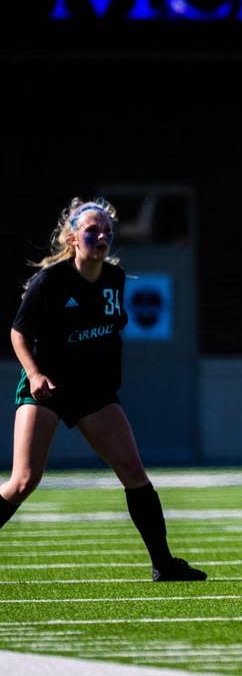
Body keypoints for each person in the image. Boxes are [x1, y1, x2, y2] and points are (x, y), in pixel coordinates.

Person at [0, 197, 206, 582]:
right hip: (46, 385)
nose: (101, 236)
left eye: (107, 230)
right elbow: (19, 333)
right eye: (92, 230)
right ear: (73, 237)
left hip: (92, 391)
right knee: (24, 480)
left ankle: (164, 564)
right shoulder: (52, 281)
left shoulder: (114, 279)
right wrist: (34, 375)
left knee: (133, 471)